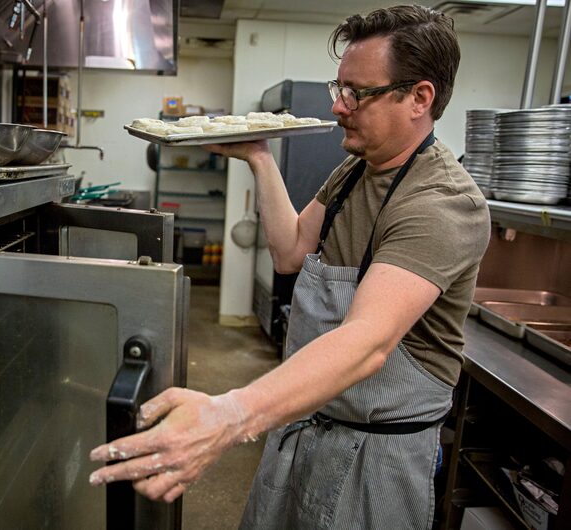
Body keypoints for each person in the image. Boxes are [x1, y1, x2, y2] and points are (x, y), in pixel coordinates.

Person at [89, 4, 491, 528]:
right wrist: (259, 155)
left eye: (357, 93)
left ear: (419, 98)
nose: (339, 106)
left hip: (374, 461)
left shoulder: (441, 203)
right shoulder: (353, 171)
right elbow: (290, 250)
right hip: (303, 424)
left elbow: (367, 343)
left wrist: (231, 414)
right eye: (338, 87)